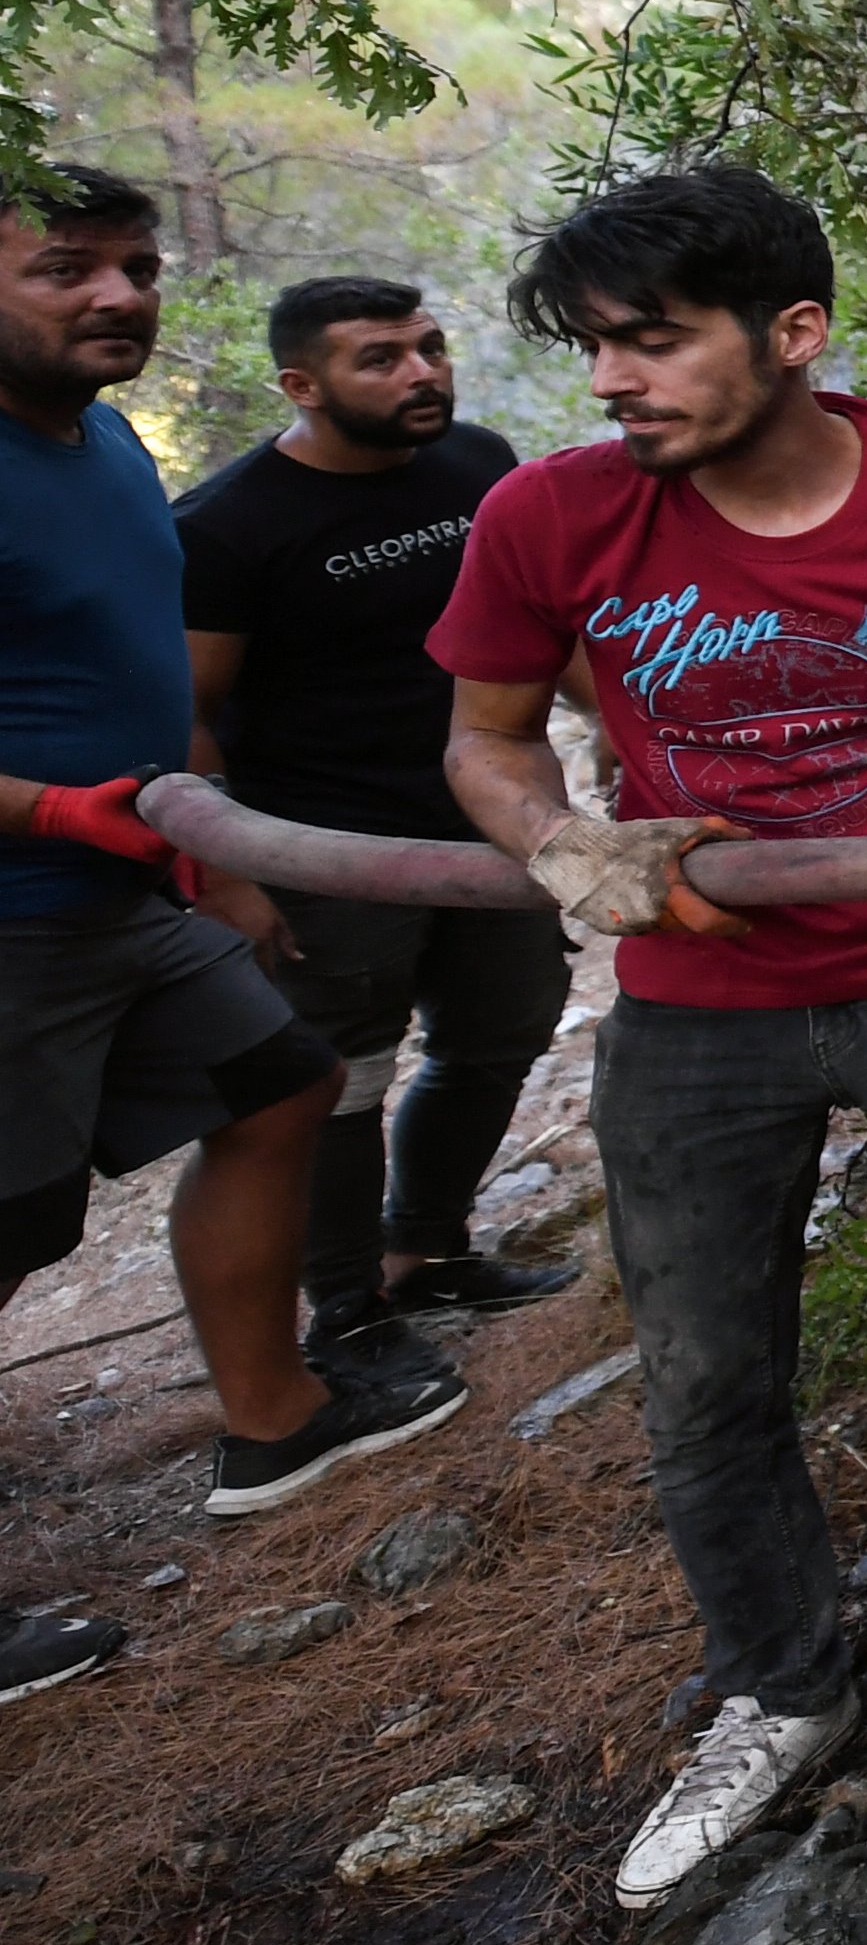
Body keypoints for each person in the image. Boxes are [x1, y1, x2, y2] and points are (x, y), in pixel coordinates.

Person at [428, 164, 867, 1908]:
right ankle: (782, 1685)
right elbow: (487, 739)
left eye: (653, 342)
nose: (612, 380)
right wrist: (561, 843)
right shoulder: (548, 518)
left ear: (795, 332)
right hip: (699, 1009)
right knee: (701, 1379)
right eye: (597, 348)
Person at [2, 166, 469, 1685]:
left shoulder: (109, 446)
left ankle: (273, 1422)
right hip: (17, 912)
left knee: (280, 1083)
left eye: (134, 266)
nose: (119, 293)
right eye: (66, 266)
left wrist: (184, 839)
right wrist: (52, 810)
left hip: (131, 890)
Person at [175, 274, 582, 1366]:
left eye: (430, 347)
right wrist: (232, 875)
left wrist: (622, 745)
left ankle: (430, 1249)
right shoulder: (226, 527)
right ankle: (346, 1309)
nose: (422, 373)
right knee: (338, 1080)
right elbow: (188, 714)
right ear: (302, 384)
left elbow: (543, 628)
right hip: (327, 854)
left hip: (486, 827)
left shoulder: (477, 462)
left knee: (501, 1033)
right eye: (382, 358)